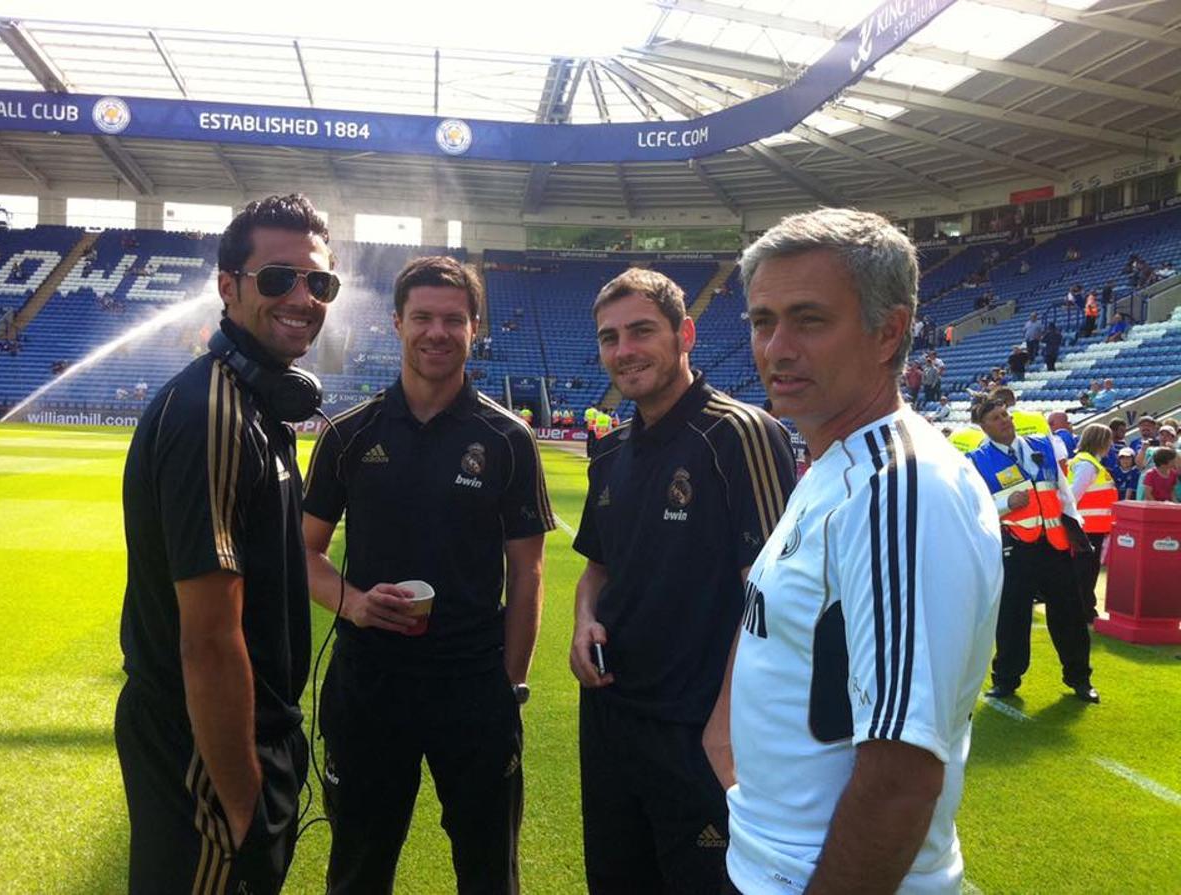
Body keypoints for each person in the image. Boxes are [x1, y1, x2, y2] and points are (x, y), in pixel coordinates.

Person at [719, 208, 1002, 894]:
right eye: (762, 321)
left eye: (808, 319)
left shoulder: (899, 490)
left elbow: (901, 778)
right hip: (768, 862)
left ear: (888, 331)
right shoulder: (834, 464)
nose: (776, 347)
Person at [303, 255, 553, 894]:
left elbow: (527, 571)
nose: (436, 332)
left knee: (489, 868)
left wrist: (511, 685)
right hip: (368, 684)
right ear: (397, 323)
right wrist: (353, 603)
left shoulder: (505, 438)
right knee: (358, 865)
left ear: (475, 329)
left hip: (473, 687)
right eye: (422, 317)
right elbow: (301, 551)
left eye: (453, 319)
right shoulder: (348, 434)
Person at [115, 194, 336, 894]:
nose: (301, 296)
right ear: (227, 285)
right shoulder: (212, 414)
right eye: (277, 278)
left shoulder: (258, 404)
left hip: (244, 740)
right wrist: (242, 805)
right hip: (209, 755)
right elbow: (207, 640)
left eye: (318, 283)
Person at [570, 267, 795, 894]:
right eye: (610, 338)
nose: (625, 351)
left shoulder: (739, 433)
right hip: (611, 719)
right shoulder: (610, 450)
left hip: (695, 729)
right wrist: (583, 619)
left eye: (642, 330)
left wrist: (723, 726)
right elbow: (597, 567)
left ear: (685, 333)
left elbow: (774, 598)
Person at [967, 398, 1098, 703]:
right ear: (983, 427)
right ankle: (1006, 680)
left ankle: (1079, 678)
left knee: (1070, 613)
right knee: (1013, 616)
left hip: (1055, 545)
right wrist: (1004, 505)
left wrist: (1075, 528)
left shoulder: (1043, 445)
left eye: (1005, 414)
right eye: (996, 418)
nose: (1004, 420)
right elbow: (973, 508)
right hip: (1016, 548)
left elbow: (1063, 491)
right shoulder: (977, 460)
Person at [1068, 425, 1116, 623]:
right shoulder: (1088, 465)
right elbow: (1073, 495)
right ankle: (1084, 609)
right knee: (1085, 571)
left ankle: (1084, 607)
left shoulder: (1087, 462)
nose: (1111, 444)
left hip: (1091, 526)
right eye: (1108, 440)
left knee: (1086, 570)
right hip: (1087, 526)